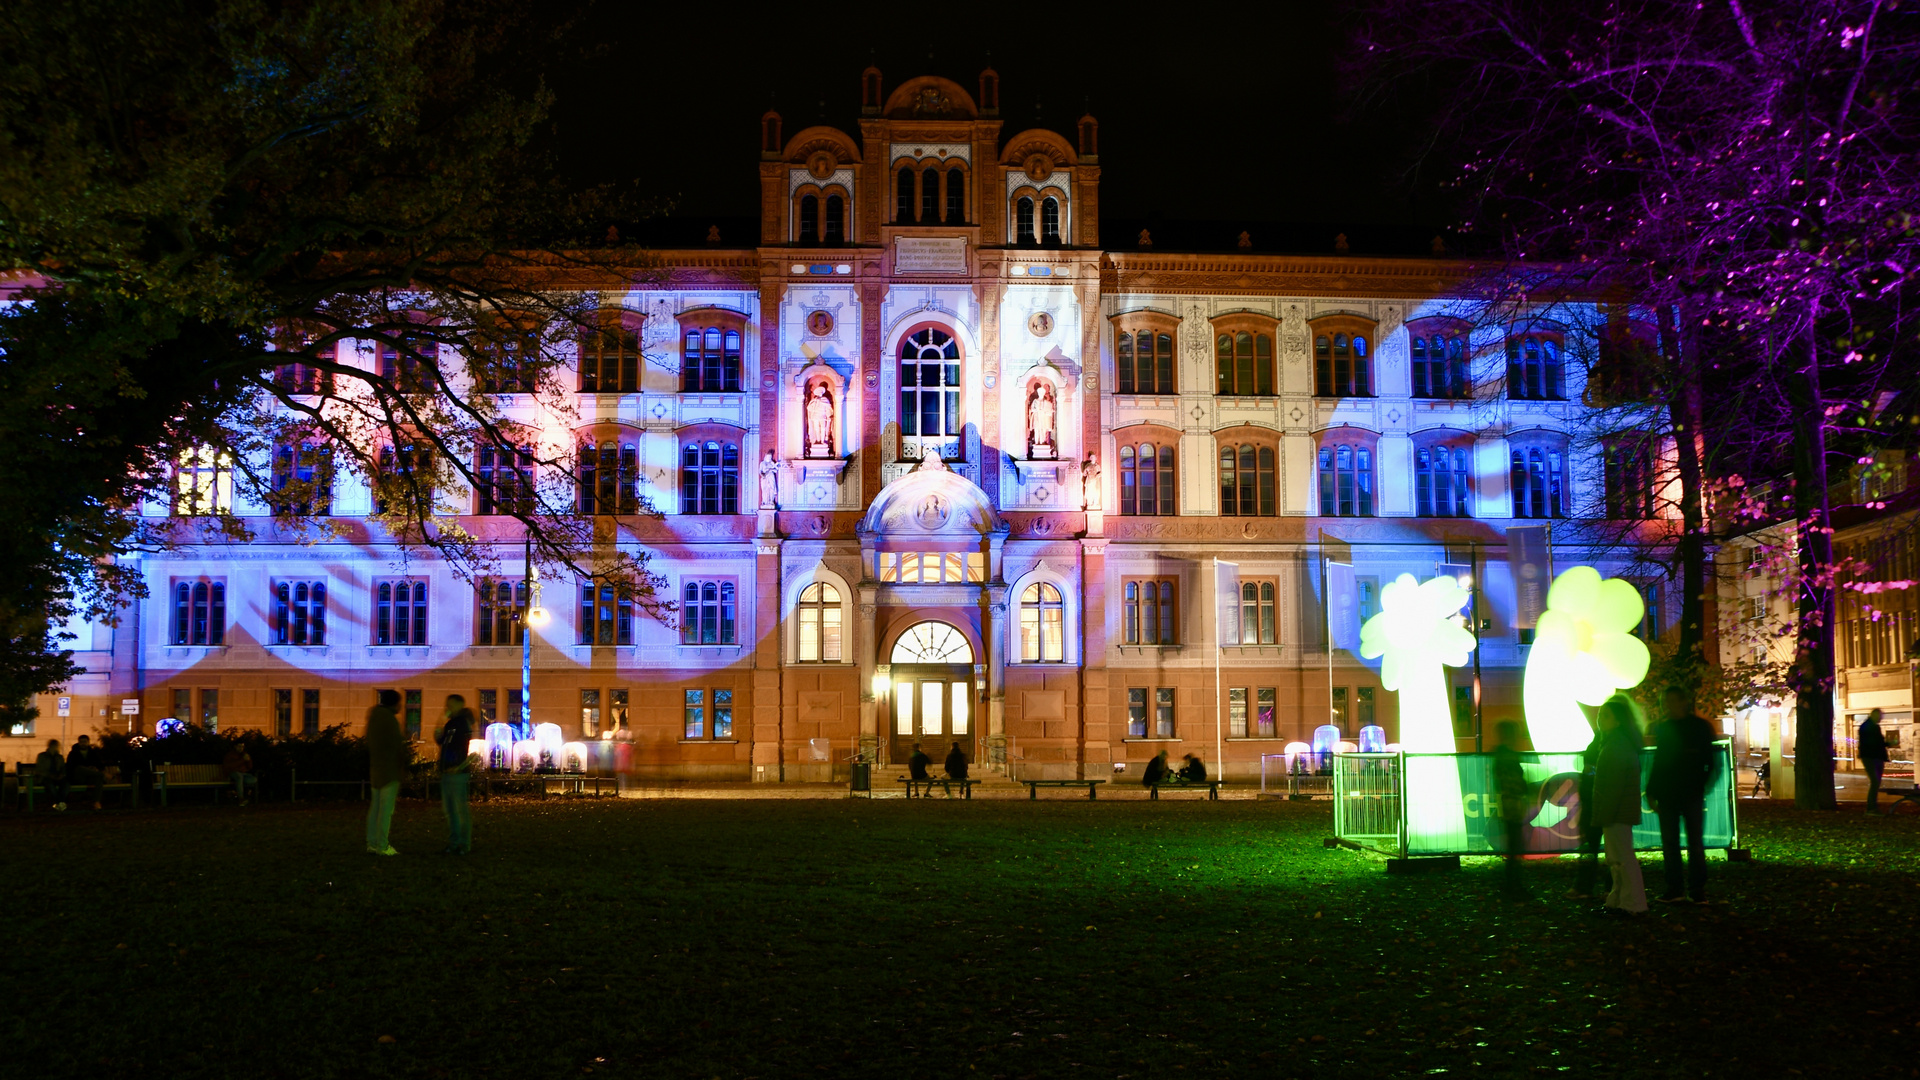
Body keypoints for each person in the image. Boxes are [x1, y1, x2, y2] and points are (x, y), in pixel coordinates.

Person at [1648, 686, 1718, 903]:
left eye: (1668, 702)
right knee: (1691, 842)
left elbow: (1660, 762)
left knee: (1674, 843)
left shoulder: (1666, 728)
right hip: (1686, 793)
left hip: (1676, 793)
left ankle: (1678, 888)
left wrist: (1652, 790)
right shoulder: (1699, 727)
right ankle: (1694, 889)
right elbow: (1709, 761)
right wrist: (1701, 783)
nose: (1666, 706)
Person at [1591, 695, 1649, 916]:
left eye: (1605, 715)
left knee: (1621, 859)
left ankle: (1632, 903)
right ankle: (1619, 901)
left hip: (1616, 813)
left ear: (1617, 721)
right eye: (1600, 714)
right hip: (1618, 811)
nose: (1600, 719)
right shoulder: (1618, 743)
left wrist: (1603, 814)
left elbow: (1612, 787)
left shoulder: (1615, 746)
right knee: (1618, 858)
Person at [364, 689, 408, 855]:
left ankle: (372, 843)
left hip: (376, 770)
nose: (401, 707)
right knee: (385, 811)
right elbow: (397, 746)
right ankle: (382, 845)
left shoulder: (374, 716)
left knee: (375, 809)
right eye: (399, 704)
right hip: (389, 772)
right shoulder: (389, 720)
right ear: (394, 703)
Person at [1492, 720, 1529, 898]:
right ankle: (1513, 886)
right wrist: (1523, 788)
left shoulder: (1501, 754)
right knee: (1515, 844)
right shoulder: (1508, 756)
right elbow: (1514, 780)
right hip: (1512, 802)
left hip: (1508, 802)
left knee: (1513, 844)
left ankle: (1511, 884)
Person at [1568, 723, 1605, 900]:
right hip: (1599, 801)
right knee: (1613, 847)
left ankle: (1584, 885)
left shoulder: (1598, 743)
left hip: (1593, 802)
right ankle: (1611, 886)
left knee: (1590, 846)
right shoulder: (1610, 742)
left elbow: (1588, 773)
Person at [436, 694, 476, 855]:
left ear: (459, 705)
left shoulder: (461, 723)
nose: (447, 708)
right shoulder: (452, 723)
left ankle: (462, 844)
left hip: (456, 772)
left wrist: (459, 766)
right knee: (451, 810)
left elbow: (460, 747)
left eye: (450, 705)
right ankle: (455, 842)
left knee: (458, 810)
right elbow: (442, 741)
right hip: (448, 771)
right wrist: (441, 723)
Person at [1860, 708, 1890, 814]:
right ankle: (1871, 807)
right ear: (1875, 716)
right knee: (1875, 782)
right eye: (1880, 716)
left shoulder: (1868, 726)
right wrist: (1886, 744)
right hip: (1872, 757)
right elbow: (1875, 743)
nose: (1881, 719)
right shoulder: (1871, 727)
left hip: (1872, 757)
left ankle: (1872, 806)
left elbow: (1875, 743)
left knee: (1875, 782)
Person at [66, 734, 107, 809]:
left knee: (98, 778)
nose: (83, 743)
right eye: (81, 742)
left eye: (84, 742)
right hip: (78, 777)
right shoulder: (73, 753)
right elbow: (70, 766)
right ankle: (101, 775)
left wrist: (93, 768)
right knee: (79, 768)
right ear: (78, 743)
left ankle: (96, 802)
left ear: (88, 742)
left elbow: (99, 764)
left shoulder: (93, 753)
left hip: (90, 777)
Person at [33, 738, 69, 811]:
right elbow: (40, 769)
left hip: (57, 777)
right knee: (50, 785)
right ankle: (59, 803)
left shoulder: (59, 757)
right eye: (53, 746)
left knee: (65, 784)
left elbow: (63, 768)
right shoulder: (42, 756)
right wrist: (49, 775)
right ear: (49, 746)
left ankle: (59, 803)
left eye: (55, 746)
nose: (54, 748)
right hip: (45, 777)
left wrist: (61, 775)